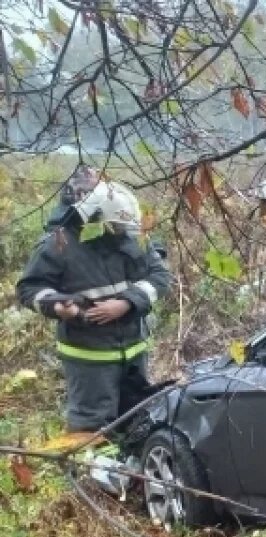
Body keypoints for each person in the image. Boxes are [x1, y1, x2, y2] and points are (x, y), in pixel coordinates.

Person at [16, 180, 172, 436]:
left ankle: (126, 473)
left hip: (134, 352)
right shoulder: (58, 244)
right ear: (92, 218)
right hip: (89, 359)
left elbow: (159, 277)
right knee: (91, 429)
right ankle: (85, 474)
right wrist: (59, 307)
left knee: (135, 420)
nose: (121, 231)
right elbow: (29, 289)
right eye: (115, 226)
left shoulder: (132, 238)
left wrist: (125, 303)